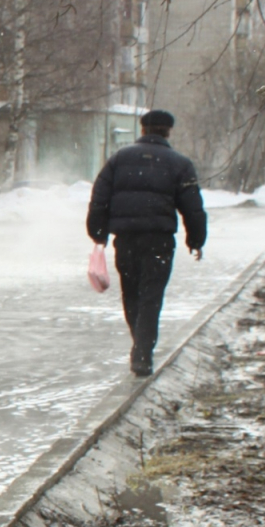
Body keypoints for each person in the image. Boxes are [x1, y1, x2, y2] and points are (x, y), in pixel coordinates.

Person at [86, 109, 207, 377]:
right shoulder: (180, 163)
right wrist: (196, 240)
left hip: (125, 240)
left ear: (142, 130)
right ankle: (142, 352)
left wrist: (98, 234)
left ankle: (139, 345)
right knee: (151, 297)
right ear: (168, 132)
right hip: (159, 241)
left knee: (131, 295)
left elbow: (99, 197)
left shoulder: (119, 159)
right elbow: (193, 207)